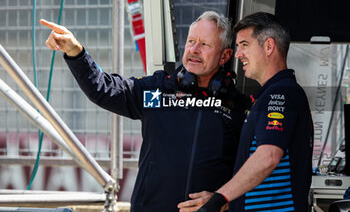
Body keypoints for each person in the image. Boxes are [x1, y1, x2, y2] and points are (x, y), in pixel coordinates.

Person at [40, 11, 248, 212]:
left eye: (204, 44)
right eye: (191, 41)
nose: (194, 49)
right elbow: (103, 89)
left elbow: (257, 172)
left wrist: (224, 200)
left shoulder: (238, 107)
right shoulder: (156, 90)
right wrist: (76, 52)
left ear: (225, 56)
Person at [178, 12, 314, 212]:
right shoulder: (271, 95)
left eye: (244, 45)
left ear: (268, 46)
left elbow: (268, 155)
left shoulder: (281, 93)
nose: (238, 53)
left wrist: (218, 199)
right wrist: (226, 201)